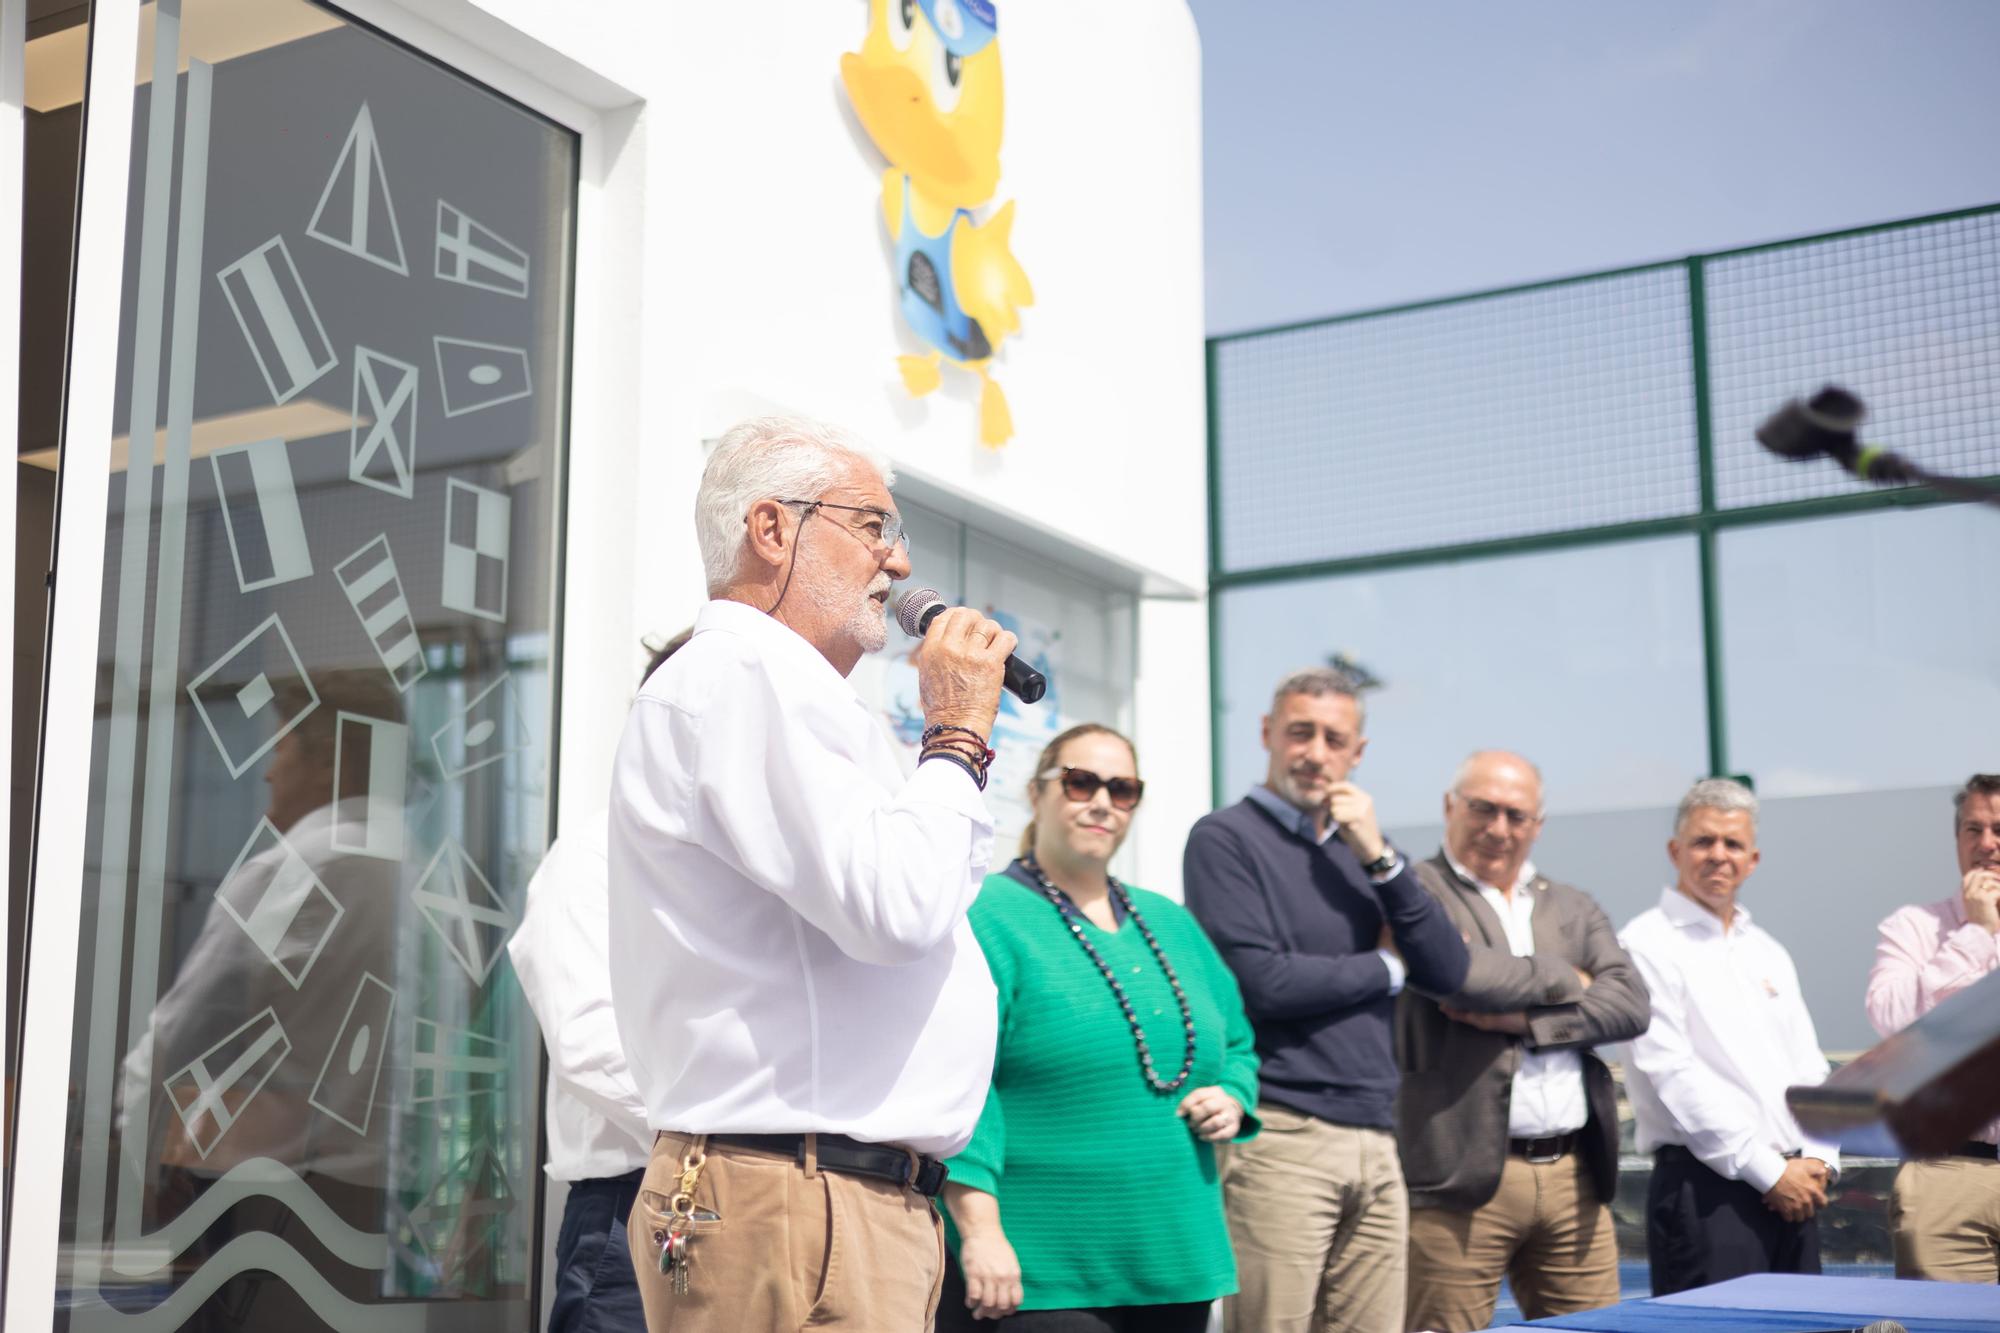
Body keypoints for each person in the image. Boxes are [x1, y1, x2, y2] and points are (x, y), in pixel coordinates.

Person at [606, 415, 1017, 1332]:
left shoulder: (788, 693)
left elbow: (908, 894)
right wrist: (954, 735)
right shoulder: (740, 675)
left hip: (826, 1194)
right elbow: (896, 908)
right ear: (772, 528)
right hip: (793, 1195)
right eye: (874, 525)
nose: (898, 563)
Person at [938, 723, 1261, 1332]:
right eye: (1080, 782)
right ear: (1036, 794)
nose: (1102, 802)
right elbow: (962, 1086)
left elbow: (1239, 1042)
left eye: (1123, 789)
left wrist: (1235, 1097)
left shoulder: (1172, 921)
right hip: (1039, 1267)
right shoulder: (985, 914)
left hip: (1175, 1255)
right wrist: (979, 1231)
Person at [1183, 667, 1469, 1333]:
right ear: (1267, 734)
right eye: (1299, 732)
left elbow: (1449, 969)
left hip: (1376, 1134)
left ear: (1357, 753)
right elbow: (1261, 982)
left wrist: (1380, 857)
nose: (1315, 751)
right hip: (1281, 1133)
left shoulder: (1368, 851)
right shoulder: (1224, 839)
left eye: (1334, 738)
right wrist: (1385, 967)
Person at [1395, 751, 1650, 1332]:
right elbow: (1459, 980)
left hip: (1575, 1179)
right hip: (1456, 1182)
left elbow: (1632, 1004)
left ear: (1538, 825)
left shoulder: (1572, 905)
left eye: (1516, 815)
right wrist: (1568, 979)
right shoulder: (1417, 894)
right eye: (1483, 808)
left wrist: (1527, 1023)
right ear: (1449, 807)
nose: (1498, 828)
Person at [509, 630, 692, 1333]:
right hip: (637, 1205)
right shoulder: (595, 854)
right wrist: (738, 1138)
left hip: (747, 1201)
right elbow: (590, 1041)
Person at [1620, 778, 1838, 1296]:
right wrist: (1771, 1173)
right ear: (1676, 851)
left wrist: (1820, 1161)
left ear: (1753, 859)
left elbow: (1810, 1068)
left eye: (1733, 844)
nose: (1718, 855)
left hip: (1798, 1189)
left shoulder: (1768, 951)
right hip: (1707, 1198)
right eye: (1703, 841)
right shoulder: (1644, 943)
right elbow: (1674, 1075)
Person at [1865, 772, 2000, 1282]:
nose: (1986, 845)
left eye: (1999, 829)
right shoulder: (1913, 928)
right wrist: (1976, 932)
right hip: (1947, 1176)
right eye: (1973, 829)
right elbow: (1895, 1022)